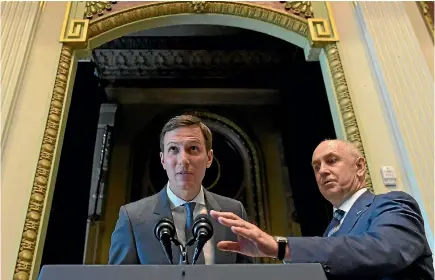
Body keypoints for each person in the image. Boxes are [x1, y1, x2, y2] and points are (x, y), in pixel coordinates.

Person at [210, 139, 433, 279]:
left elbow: (384, 251)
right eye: (316, 167)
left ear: (359, 167)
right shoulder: (332, 230)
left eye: (332, 161)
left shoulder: (392, 204)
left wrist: (280, 247)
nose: (322, 171)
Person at [109, 114, 253, 265]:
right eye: (173, 149)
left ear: (209, 158)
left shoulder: (234, 212)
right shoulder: (132, 218)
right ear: (163, 159)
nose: (183, 159)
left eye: (193, 148)